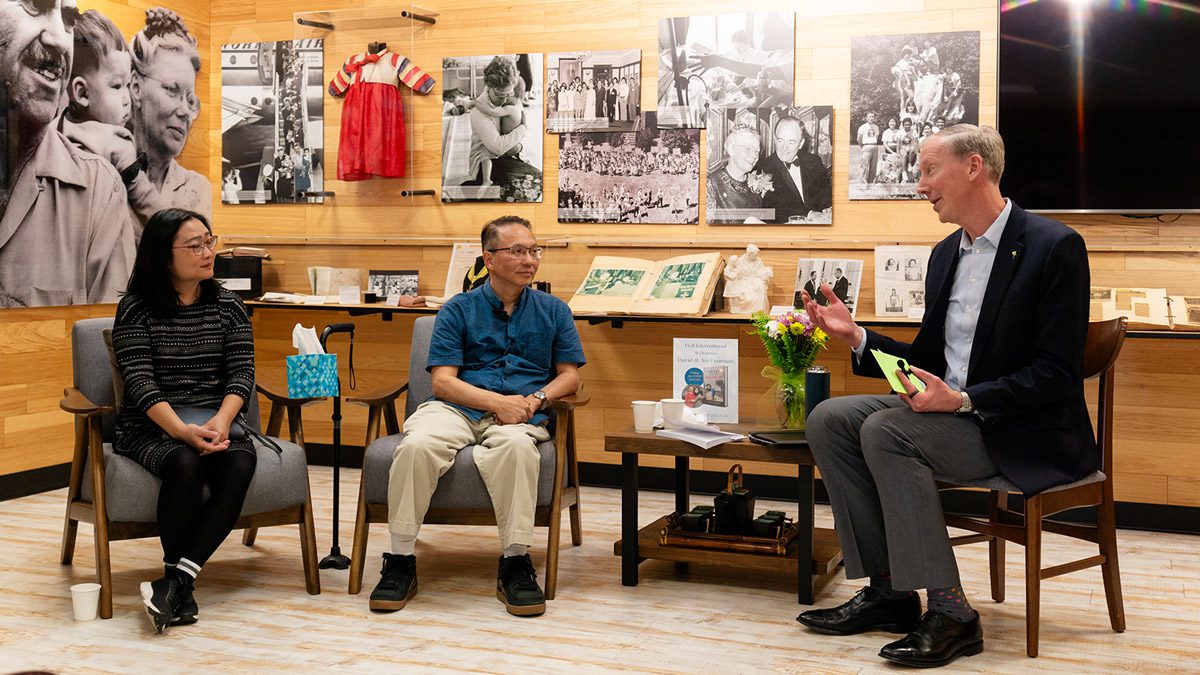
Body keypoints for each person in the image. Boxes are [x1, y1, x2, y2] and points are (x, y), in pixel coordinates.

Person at [797, 125, 1094, 668]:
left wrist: (962, 401)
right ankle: (890, 592)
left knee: (885, 430)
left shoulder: (1055, 247)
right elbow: (930, 359)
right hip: (952, 416)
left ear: (974, 167)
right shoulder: (942, 256)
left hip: (1019, 428)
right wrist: (856, 335)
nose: (919, 184)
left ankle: (952, 611)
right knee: (830, 419)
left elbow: (1055, 374)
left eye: (929, 170)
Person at [371, 215, 586, 617]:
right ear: (489, 258)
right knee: (417, 444)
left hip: (521, 413)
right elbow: (443, 383)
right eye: (517, 251)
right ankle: (400, 559)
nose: (530, 260)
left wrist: (536, 398)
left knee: (517, 451)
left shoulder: (554, 310)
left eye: (534, 250)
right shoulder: (458, 310)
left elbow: (570, 376)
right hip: (456, 408)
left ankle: (515, 563)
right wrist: (496, 402)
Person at [111, 208, 256, 634]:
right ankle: (180, 585)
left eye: (209, 241)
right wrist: (182, 432)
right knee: (184, 462)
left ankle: (176, 583)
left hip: (216, 418)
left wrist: (222, 421)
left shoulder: (229, 305)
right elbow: (140, 383)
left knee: (240, 462)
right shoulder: (136, 309)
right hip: (153, 425)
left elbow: (242, 373)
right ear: (163, 255)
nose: (208, 252)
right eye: (195, 245)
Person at [0, 0, 136, 307]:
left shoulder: (99, 193)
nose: (61, 40)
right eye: (36, 6)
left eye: (68, 18)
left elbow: (107, 343)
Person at [462, 57, 541, 190]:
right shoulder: (479, 110)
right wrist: (522, 129)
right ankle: (475, 188)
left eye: (508, 93)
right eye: (500, 95)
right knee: (521, 187)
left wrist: (519, 147)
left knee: (537, 180)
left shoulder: (512, 97)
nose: (505, 100)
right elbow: (497, 148)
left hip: (509, 156)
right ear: (489, 86)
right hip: (486, 161)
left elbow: (517, 136)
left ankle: (481, 192)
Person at [755, 117, 832, 223]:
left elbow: (825, 195)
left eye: (791, 142)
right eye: (780, 140)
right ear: (774, 138)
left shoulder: (814, 161)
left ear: (801, 144)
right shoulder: (763, 167)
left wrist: (827, 209)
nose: (784, 148)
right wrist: (809, 214)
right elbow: (770, 210)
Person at [707, 126, 768, 214]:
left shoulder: (756, 182)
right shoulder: (711, 183)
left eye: (757, 151)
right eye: (747, 149)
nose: (755, 156)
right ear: (731, 149)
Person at [722, 244, 773, 314]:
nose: (756, 257)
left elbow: (762, 270)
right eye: (754, 255)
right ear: (749, 254)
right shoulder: (739, 261)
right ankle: (739, 308)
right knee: (737, 287)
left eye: (756, 255)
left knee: (761, 285)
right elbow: (731, 272)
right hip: (742, 281)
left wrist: (767, 273)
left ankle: (759, 310)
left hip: (755, 280)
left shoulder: (758, 261)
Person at [857, 112, 882, 184]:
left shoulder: (876, 127)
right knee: (864, 166)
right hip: (866, 146)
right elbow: (858, 139)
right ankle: (862, 184)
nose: (871, 118)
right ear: (866, 118)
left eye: (873, 117)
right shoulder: (862, 127)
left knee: (873, 167)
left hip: (874, 146)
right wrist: (863, 147)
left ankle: (871, 184)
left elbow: (876, 138)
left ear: (874, 118)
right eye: (869, 117)